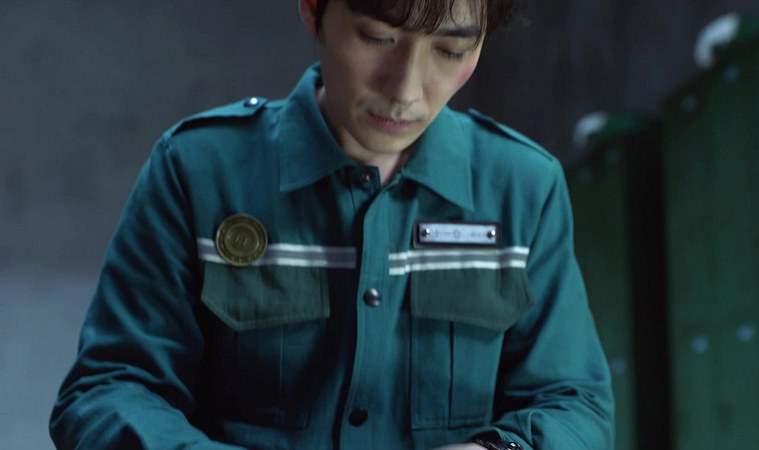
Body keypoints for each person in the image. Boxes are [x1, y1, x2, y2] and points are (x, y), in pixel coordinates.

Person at [50, 0, 614, 449]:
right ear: (313, 7)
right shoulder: (197, 172)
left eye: (449, 50)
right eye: (377, 37)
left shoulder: (523, 188)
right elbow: (109, 390)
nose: (405, 90)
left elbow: (575, 404)